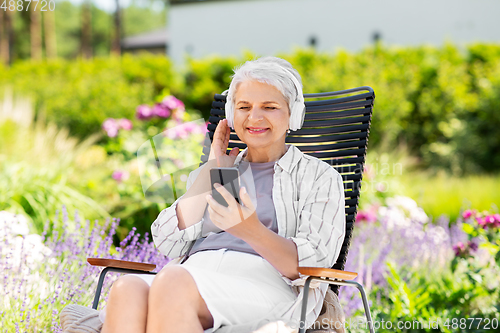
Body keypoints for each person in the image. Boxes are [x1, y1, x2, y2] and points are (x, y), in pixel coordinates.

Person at [101, 57, 345, 333]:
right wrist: (211, 169)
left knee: (172, 282)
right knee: (127, 288)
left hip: (266, 285)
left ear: (294, 114)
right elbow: (168, 242)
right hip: (193, 274)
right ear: (231, 115)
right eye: (244, 107)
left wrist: (250, 229)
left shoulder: (320, 177)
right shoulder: (217, 169)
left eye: (270, 107)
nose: (254, 117)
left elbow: (314, 265)